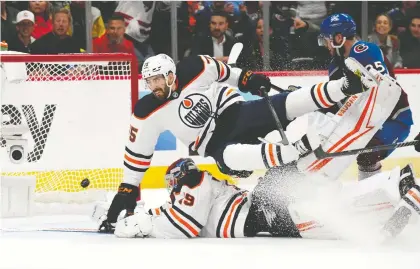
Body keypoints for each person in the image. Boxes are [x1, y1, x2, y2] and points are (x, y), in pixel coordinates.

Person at [95, 51, 377, 232]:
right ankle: (290, 152)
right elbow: (137, 156)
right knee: (227, 157)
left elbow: (223, 72)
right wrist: (127, 191)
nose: (153, 86)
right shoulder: (146, 112)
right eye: (149, 81)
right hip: (214, 145)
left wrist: (248, 79)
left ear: (171, 75)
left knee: (283, 104)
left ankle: (345, 86)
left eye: (157, 80)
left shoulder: (194, 67)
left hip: (234, 114)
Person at [112, 158, 420, 239]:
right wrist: (141, 217)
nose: (171, 188)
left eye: (171, 182)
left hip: (264, 207)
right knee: (327, 213)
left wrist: (142, 226)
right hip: (265, 206)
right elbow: (172, 213)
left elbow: (185, 227)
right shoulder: (195, 188)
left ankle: (394, 184)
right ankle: (392, 191)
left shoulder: (195, 180)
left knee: (318, 214)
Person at [317, 13, 413, 180]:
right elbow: (342, 103)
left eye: (327, 39)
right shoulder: (335, 66)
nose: (326, 45)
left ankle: (388, 192)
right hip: (367, 122)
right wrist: (317, 102)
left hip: (394, 119)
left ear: (339, 37)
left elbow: (384, 90)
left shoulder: (363, 50)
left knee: (367, 153)